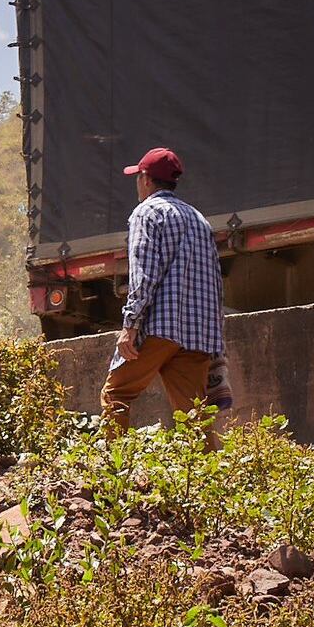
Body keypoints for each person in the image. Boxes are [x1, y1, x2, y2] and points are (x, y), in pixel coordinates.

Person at [99, 147, 226, 437]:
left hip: (160, 328)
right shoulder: (198, 219)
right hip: (198, 335)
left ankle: (115, 472)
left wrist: (130, 326)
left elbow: (143, 276)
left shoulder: (146, 213)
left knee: (115, 394)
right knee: (195, 417)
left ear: (145, 179)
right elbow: (216, 281)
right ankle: (210, 477)